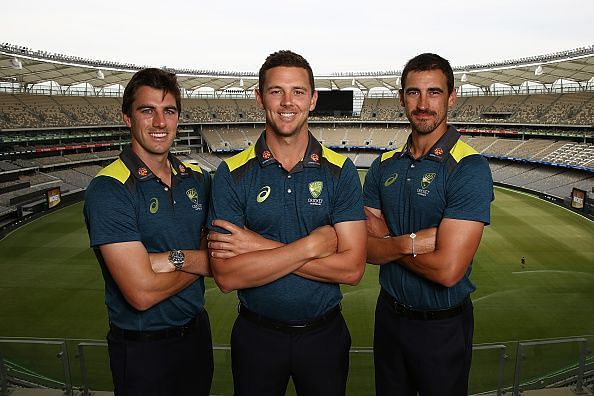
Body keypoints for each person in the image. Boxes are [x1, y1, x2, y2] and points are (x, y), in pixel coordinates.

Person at [206, 50, 367, 396]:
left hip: (325, 336)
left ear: (313, 100)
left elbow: (352, 269)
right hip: (256, 337)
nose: (287, 102)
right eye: (276, 91)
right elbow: (227, 276)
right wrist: (312, 246)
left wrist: (258, 246)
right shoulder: (230, 174)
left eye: (297, 91)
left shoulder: (341, 171)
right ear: (259, 97)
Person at [363, 53, 493, 396]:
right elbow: (365, 246)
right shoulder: (383, 166)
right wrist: (410, 242)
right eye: (413, 93)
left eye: (434, 92)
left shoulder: (469, 167)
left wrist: (388, 241)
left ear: (451, 97)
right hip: (388, 316)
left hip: (442, 326)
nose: (423, 104)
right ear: (401, 97)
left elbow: (447, 270)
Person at [84, 68, 213, 396]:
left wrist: (170, 259)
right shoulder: (109, 188)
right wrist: (200, 261)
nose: (159, 123)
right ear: (127, 118)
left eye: (168, 111)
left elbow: (223, 255)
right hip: (143, 351)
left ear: (178, 118)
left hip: (198, 338)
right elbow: (141, 294)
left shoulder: (198, 178)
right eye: (147, 111)